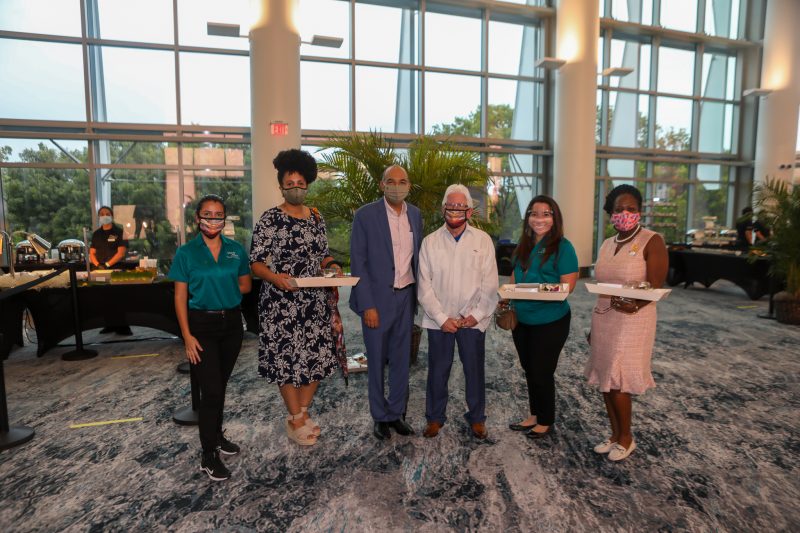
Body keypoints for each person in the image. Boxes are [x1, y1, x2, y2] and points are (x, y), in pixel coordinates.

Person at [250, 149, 341, 447]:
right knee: (286, 360)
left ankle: (299, 414)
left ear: (308, 184)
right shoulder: (270, 219)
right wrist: (276, 278)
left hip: (314, 302)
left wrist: (332, 266)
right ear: (281, 186)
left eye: (301, 183)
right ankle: (296, 417)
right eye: (290, 183)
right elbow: (256, 263)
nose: (296, 188)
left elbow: (323, 254)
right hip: (280, 303)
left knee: (317, 356)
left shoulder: (316, 217)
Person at [169, 194, 251, 481]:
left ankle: (216, 435)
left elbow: (245, 285)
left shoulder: (235, 250)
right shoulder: (186, 253)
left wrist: (222, 286)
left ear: (224, 219)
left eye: (218, 215)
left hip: (231, 325)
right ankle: (208, 454)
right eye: (207, 214)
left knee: (220, 385)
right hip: (201, 326)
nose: (213, 220)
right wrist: (186, 336)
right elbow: (179, 297)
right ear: (197, 218)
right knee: (212, 391)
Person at [585, 184, 668, 461]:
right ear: (610, 213)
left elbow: (655, 286)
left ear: (640, 211)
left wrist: (635, 304)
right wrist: (593, 328)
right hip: (604, 316)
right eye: (619, 209)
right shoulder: (607, 244)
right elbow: (602, 284)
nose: (625, 213)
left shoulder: (652, 241)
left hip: (634, 319)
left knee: (619, 380)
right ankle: (614, 435)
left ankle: (626, 438)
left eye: (631, 208)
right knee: (606, 379)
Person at [417, 185, 498, 440]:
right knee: (438, 370)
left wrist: (477, 315)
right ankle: (434, 418)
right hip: (439, 320)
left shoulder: (482, 241)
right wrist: (442, 319)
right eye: (450, 206)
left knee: (474, 370)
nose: (454, 211)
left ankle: (477, 418)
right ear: (443, 209)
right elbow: (424, 287)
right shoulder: (430, 242)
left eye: (460, 207)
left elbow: (490, 283)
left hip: (471, 320)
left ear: (469, 212)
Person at [350, 165, 423, 441]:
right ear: (382, 185)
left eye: (402, 181)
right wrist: (367, 304)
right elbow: (358, 261)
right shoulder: (365, 215)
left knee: (402, 359)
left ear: (409, 185)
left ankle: (396, 413)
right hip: (376, 300)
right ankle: (379, 416)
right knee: (377, 359)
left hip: (406, 295)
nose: (396, 186)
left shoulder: (415, 215)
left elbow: (417, 257)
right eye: (391, 181)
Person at [506, 195, 579, 440]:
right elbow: (515, 276)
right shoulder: (524, 244)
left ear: (555, 218)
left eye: (546, 214)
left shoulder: (563, 247)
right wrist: (507, 296)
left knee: (541, 371)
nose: (540, 219)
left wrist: (535, 290)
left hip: (550, 320)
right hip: (522, 319)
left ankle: (546, 420)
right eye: (534, 214)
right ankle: (535, 414)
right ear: (528, 218)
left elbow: (568, 286)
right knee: (529, 369)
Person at [90, 206, 132, 335]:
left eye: (107, 213)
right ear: (99, 217)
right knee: (103, 298)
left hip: (115, 269)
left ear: (112, 216)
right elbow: (91, 253)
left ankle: (124, 327)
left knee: (118, 298)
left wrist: (107, 265)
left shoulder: (120, 232)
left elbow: (121, 253)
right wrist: (98, 265)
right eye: (102, 214)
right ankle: (109, 325)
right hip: (99, 270)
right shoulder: (96, 234)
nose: (104, 216)